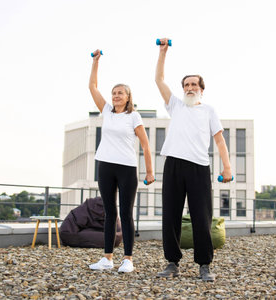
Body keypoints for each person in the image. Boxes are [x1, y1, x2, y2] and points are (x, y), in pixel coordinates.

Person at [154, 39, 232, 281]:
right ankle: (172, 262)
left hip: (199, 167)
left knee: (201, 217)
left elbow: (219, 141)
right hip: (174, 165)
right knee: (171, 215)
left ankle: (204, 265)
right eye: (186, 84)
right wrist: (162, 52)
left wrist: (227, 166)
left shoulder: (209, 110)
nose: (189, 87)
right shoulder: (175, 106)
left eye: (194, 84)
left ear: (201, 89)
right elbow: (159, 80)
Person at [88, 49, 155, 273]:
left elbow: (145, 144)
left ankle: (128, 259)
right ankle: (107, 258)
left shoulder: (133, 116)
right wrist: (96, 62)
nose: (116, 96)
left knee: (125, 213)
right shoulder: (106, 111)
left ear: (128, 97)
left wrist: (149, 171)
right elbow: (93, 87)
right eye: (114, 93)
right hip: (105, 166)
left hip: (127, 168)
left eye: (120, 93)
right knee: (110, 213)